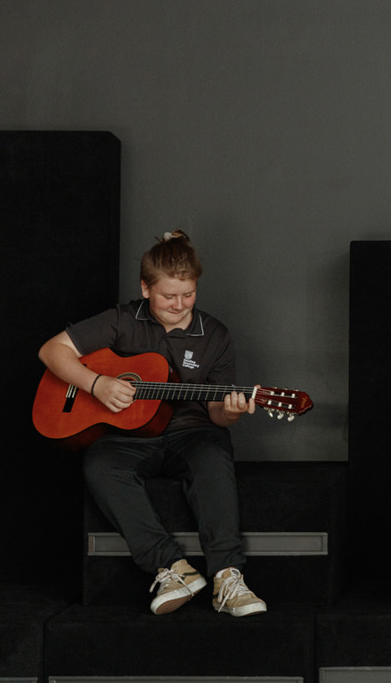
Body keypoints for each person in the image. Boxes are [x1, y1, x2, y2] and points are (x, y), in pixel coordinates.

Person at [38, 229, 266, 617]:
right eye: (168, 296)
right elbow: (51, 350)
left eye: (189, 294)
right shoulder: (122, 319)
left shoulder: (215, 335)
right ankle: (172, 568)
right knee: (100, 465)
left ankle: (227, 578)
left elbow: (217, 415)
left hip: (191, 432)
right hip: (127, 435)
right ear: (145, 288)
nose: (180, 304)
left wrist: (230, 410)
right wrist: (97, 383)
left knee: (213, 456)